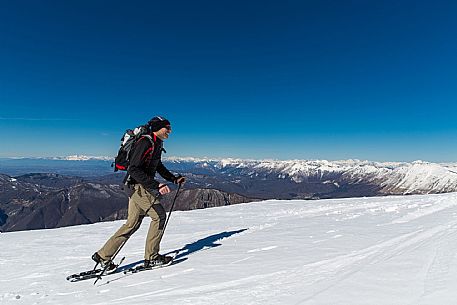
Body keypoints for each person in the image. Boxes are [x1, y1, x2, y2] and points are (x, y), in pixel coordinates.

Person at [92, 116, 185, 269]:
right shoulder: (145, 142)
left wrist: (173, 179)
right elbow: (133, 169)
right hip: (137, 186)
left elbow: (157, 165)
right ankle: (152, 257)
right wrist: (157, 185)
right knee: (159, 216)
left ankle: (103, 256)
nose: (170, 131)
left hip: (136, 186)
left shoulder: (156, 143)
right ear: (158, 128)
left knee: (132, 224)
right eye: (167, 128)